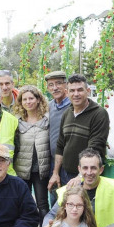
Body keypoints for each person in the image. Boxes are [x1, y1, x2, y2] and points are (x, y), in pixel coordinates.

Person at [48, 73, 110, 192]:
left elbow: (95, 148)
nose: (76, 94)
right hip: (65, 173)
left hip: (87, 175)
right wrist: (55, 173)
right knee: (63, 208)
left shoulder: (99, 114)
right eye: (72, 91)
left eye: (80, 90)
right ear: (67, 92)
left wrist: (81, 176)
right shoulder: (67, 113)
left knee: (82, 209)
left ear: (87, 91)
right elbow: (60, 145)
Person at [13, 85, 50, 218]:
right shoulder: (16, 121)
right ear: (21, 102)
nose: (28, 102)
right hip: (22, 170)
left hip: (41, 170)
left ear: (38, 99)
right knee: (24, 204)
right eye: (25, 99)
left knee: (42, 204)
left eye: (31, 98)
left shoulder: (47, 119)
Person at [45, 70, 71, 205]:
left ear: (66, 84)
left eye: (59, 83)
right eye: (51, 85)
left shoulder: (74, 105)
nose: (55, 88)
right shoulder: (49, 106)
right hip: (53, 162)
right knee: (55, 199)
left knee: (70, 199)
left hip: (71, 164)